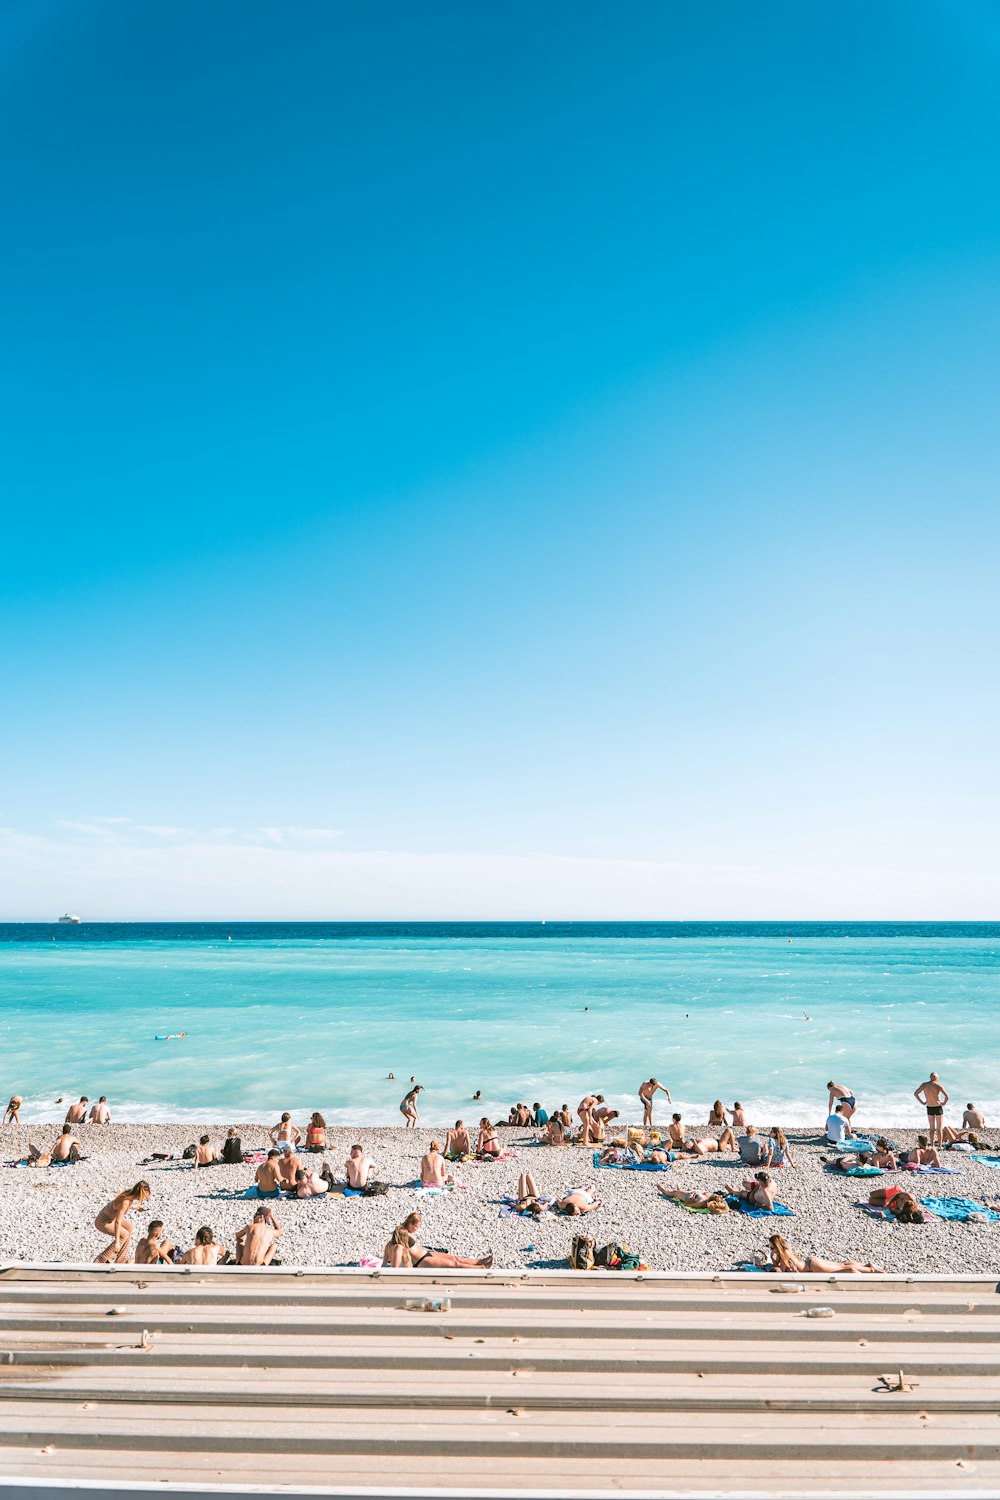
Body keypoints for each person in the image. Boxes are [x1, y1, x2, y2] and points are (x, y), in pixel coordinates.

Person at [387, 1211, 493, 1269]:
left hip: (427, 1253)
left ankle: (479, 1261)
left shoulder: (407, 1232)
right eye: (415, 1226)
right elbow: (398, 1250)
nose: (416, 1229)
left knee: (456, 1258)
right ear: (409, 1222)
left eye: (417, 1227)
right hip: (422, 1261)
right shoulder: (401, 1232)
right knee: (454, 1265)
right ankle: (481, 1268)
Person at [768, 1232, 884, 1274]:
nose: (771, 1249)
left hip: (811, 1267)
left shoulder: (784, 1253)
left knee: (841, 1269)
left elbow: (782, 1270)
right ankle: (866, 1266)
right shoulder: (786, 1251)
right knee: (842, 1264)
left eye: (771, 1247)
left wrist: (772, 1259)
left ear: (776, 1246)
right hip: (811, 1262)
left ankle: (871, 1270)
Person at [94, 1181, 150, 1263]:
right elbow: (118, 1221)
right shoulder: (126, 1201)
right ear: (139, 1194)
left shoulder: (129, 1194)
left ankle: (121, 1259)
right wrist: (117, 1242)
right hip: (103, 1221)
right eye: (144, 1197)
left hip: (110, 1218)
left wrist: (135, 1207)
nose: (144, 1199)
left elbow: (123, 1206)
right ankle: (100, 1260)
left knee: (129, 1227)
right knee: (124, 1234)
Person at [914, 1073, 949, 1147]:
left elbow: (916, 1093)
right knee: (939, 1129)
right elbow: (947, 1096)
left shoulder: (924, 1085)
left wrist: (923, 1102)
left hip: (929, 1107)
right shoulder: (938, 1085)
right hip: (938, 1107)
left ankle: (932, 1145)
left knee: (932, 1128)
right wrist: (943, 1103)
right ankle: (940, 1146)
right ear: (936, 1078)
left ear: (930, 1078)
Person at [656, 1184, 730, 1213]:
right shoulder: (711, 1197)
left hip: (687, 1196)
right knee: (686, 1190)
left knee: (674, 1192)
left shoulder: (701, 1203)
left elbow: (687, 1205)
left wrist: (691, 1197)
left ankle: (664, 1191)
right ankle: (683, 1189)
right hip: (694, 1191)